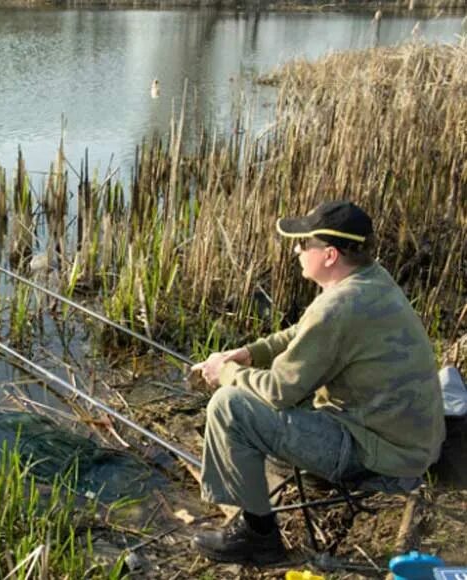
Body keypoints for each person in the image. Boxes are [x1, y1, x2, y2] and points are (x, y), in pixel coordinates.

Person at [189, 200, 445, 565]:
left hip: (384, 458)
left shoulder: (339, 307)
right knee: (261, 394)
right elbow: (305, 329)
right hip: (407, 442)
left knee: (229, 407)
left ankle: (257, 535)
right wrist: (251, 352)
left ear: (328, 255)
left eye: (302, 244)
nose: (295, 250)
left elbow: (279, 391)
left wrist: (224, 373)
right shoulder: (369, 279)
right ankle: (306, 480)